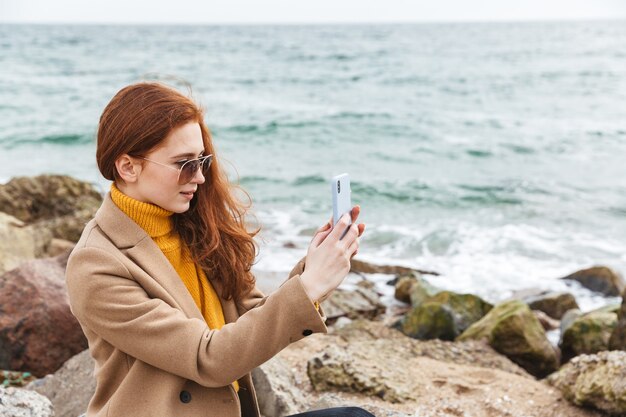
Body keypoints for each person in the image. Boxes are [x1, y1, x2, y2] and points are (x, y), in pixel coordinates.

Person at [65, 81, 374, 417]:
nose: (198, 177)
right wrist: (309, 285)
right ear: (128, 167)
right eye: (184, 163)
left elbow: (253, 316)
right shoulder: (96, 263)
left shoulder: (192, 227)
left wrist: (312, 271)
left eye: (202, 161)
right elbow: (207, 358)